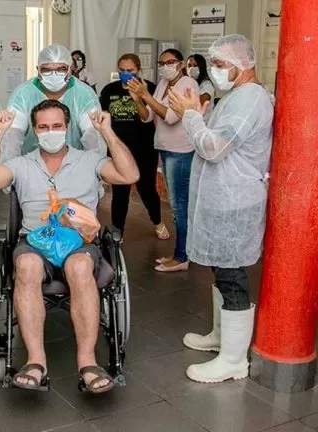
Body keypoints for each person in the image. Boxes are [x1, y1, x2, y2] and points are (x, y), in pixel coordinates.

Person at [0, 100, 139, 393]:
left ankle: (87, 362)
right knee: (26, 264)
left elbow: (130, 175)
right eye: (44, 127)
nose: (51, 132)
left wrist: (108, 134)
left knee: (79, 265)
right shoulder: (22, 164)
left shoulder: (90, 161)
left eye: (57, 126)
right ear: (35, 131)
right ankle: (36, 361)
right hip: (35, 241)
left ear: (67, 128)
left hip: (79, 243)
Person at [168, 34, 272, 383]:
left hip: (236, 202)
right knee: (220, 270)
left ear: (245, 64)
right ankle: (220, 337)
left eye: (220, 64)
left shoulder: (251, 99)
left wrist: (190, 116)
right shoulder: (236, 96)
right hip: (223, 199)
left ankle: (233, 360)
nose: (213, 70)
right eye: (212, 64)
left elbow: (214, 147)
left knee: (232, 276)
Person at [127, 49, 200, 272]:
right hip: (166, 150)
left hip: (181, 152)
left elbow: (169, 117)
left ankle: (182, 257)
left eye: (170, 62)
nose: (165, 65)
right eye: (162, 62)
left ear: (180, 64)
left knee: (179, 207)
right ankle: (180, 253)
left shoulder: (188, 84)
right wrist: (138, 99)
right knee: (177, 206)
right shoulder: (162, 84)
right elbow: (147, 116)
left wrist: (146, 95)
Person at [99, 53, 168, 238]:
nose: (125, 74)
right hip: (118, 148)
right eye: (122, 70)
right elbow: (103, 116)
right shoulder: (109, 90)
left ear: (138, 70)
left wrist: (139, 97)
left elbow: (152, 117)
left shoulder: (149, 88)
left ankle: (158, 221)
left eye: (130, 70)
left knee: (147, 189)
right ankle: (117, 231)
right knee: (120, 191)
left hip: (145, 148)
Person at [1, 44, 104, 163]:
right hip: (31, 169)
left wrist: (96, 170)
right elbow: (11, 143)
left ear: (71, 69)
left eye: (61, 69)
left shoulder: (84, 95)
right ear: (38, 70)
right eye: (47, 70)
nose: (54, 75)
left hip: (75, 168)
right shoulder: (22, 95)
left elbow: (95, 143)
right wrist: (11, 173)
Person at [186, 54, 216, 123]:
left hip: (204, 124)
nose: (191, 68)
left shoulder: (207, 85)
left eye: (195, 65)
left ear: (201, 67)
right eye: (189, 66)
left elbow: (198, 104)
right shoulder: (189, 83)